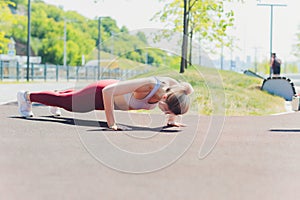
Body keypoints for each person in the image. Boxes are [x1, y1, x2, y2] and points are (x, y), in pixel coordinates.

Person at [17, 76, 194, 130]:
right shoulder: (150, 85)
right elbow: (107, 92)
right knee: (69, 105)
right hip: (102, 91)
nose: (165, 113)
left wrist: (172, 121)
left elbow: (173, 105)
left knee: (66, 101)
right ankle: (26, 96)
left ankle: (55, 99)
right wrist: (112, 123)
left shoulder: (173, 91)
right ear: (164, 98)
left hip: (111, 100)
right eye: (166, 111)